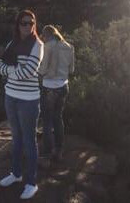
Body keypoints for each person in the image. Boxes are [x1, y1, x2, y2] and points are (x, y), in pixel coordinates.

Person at [0, 10, 44, 200]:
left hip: (29, 100)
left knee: (29, 141)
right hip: (10, 96)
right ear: (18, 25)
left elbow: (29, 71)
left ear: (34, 24)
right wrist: (13, 70)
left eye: (31, 23)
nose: (28, 26)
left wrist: (10, 70)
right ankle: (16, 174)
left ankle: (32, 183)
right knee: (16, 138)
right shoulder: (12, 44)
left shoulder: (38, 45)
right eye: (24, 23)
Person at [38, 25, 75, 161]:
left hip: (49, 87)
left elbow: (43, 69)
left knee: (47, 122)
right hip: (63, 86)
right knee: (58, 118)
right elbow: (71, 70)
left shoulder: (47, 47)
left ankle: (47, 155)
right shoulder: (69, 47)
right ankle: (58, 151)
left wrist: (37, 71)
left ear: (46, 35)